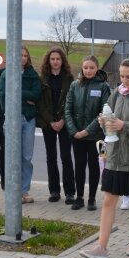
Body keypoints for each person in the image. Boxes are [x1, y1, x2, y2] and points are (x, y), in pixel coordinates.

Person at [79, 57, 129, 258]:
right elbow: (109, 114)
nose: (124, 80)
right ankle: (101, 247)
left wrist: (125, 125)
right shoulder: (116, 93)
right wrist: (103, 120)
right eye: (122, 76)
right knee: (108, 200)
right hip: (115, 155)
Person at [64, 55, 110, 211]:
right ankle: (79, 197)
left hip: (97, 137)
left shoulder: (103, 87)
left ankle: (91, 198)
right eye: (85, 68)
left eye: (91, 67)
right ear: (82, 69)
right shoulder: (74, 86)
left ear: (97, 68)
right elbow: (68, 109)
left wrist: (86, 131)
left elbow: (103, 113)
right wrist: (73, 130)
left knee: (95, 167)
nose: (88, 71)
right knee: (79, 166)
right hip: (77, 135)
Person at [0, 46, 42, 204]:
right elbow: (3, 95)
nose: (23, 58)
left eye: (25, 55)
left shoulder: (32, 74)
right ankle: (12, 191)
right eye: (20, 55)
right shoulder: (7, 74)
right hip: (12, 118)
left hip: (28, 119)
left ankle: (24, 191)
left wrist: (18, 92)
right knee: (12, 156)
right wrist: (24, 97)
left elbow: (37, 94)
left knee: (26, 157)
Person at [36, 47, 76, 204]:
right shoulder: (43, 79)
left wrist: (63, 121)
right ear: (48, 61)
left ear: (62, 61)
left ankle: (70, 192)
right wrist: (51, 121)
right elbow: (40, 103)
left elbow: (70, 102)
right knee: (51, 157)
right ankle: (54, 191)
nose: (55, 62)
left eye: (58, 59)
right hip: (48, 123)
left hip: (65, 123)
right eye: (52, 59)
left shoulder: (69, 78)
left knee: (66, 157)